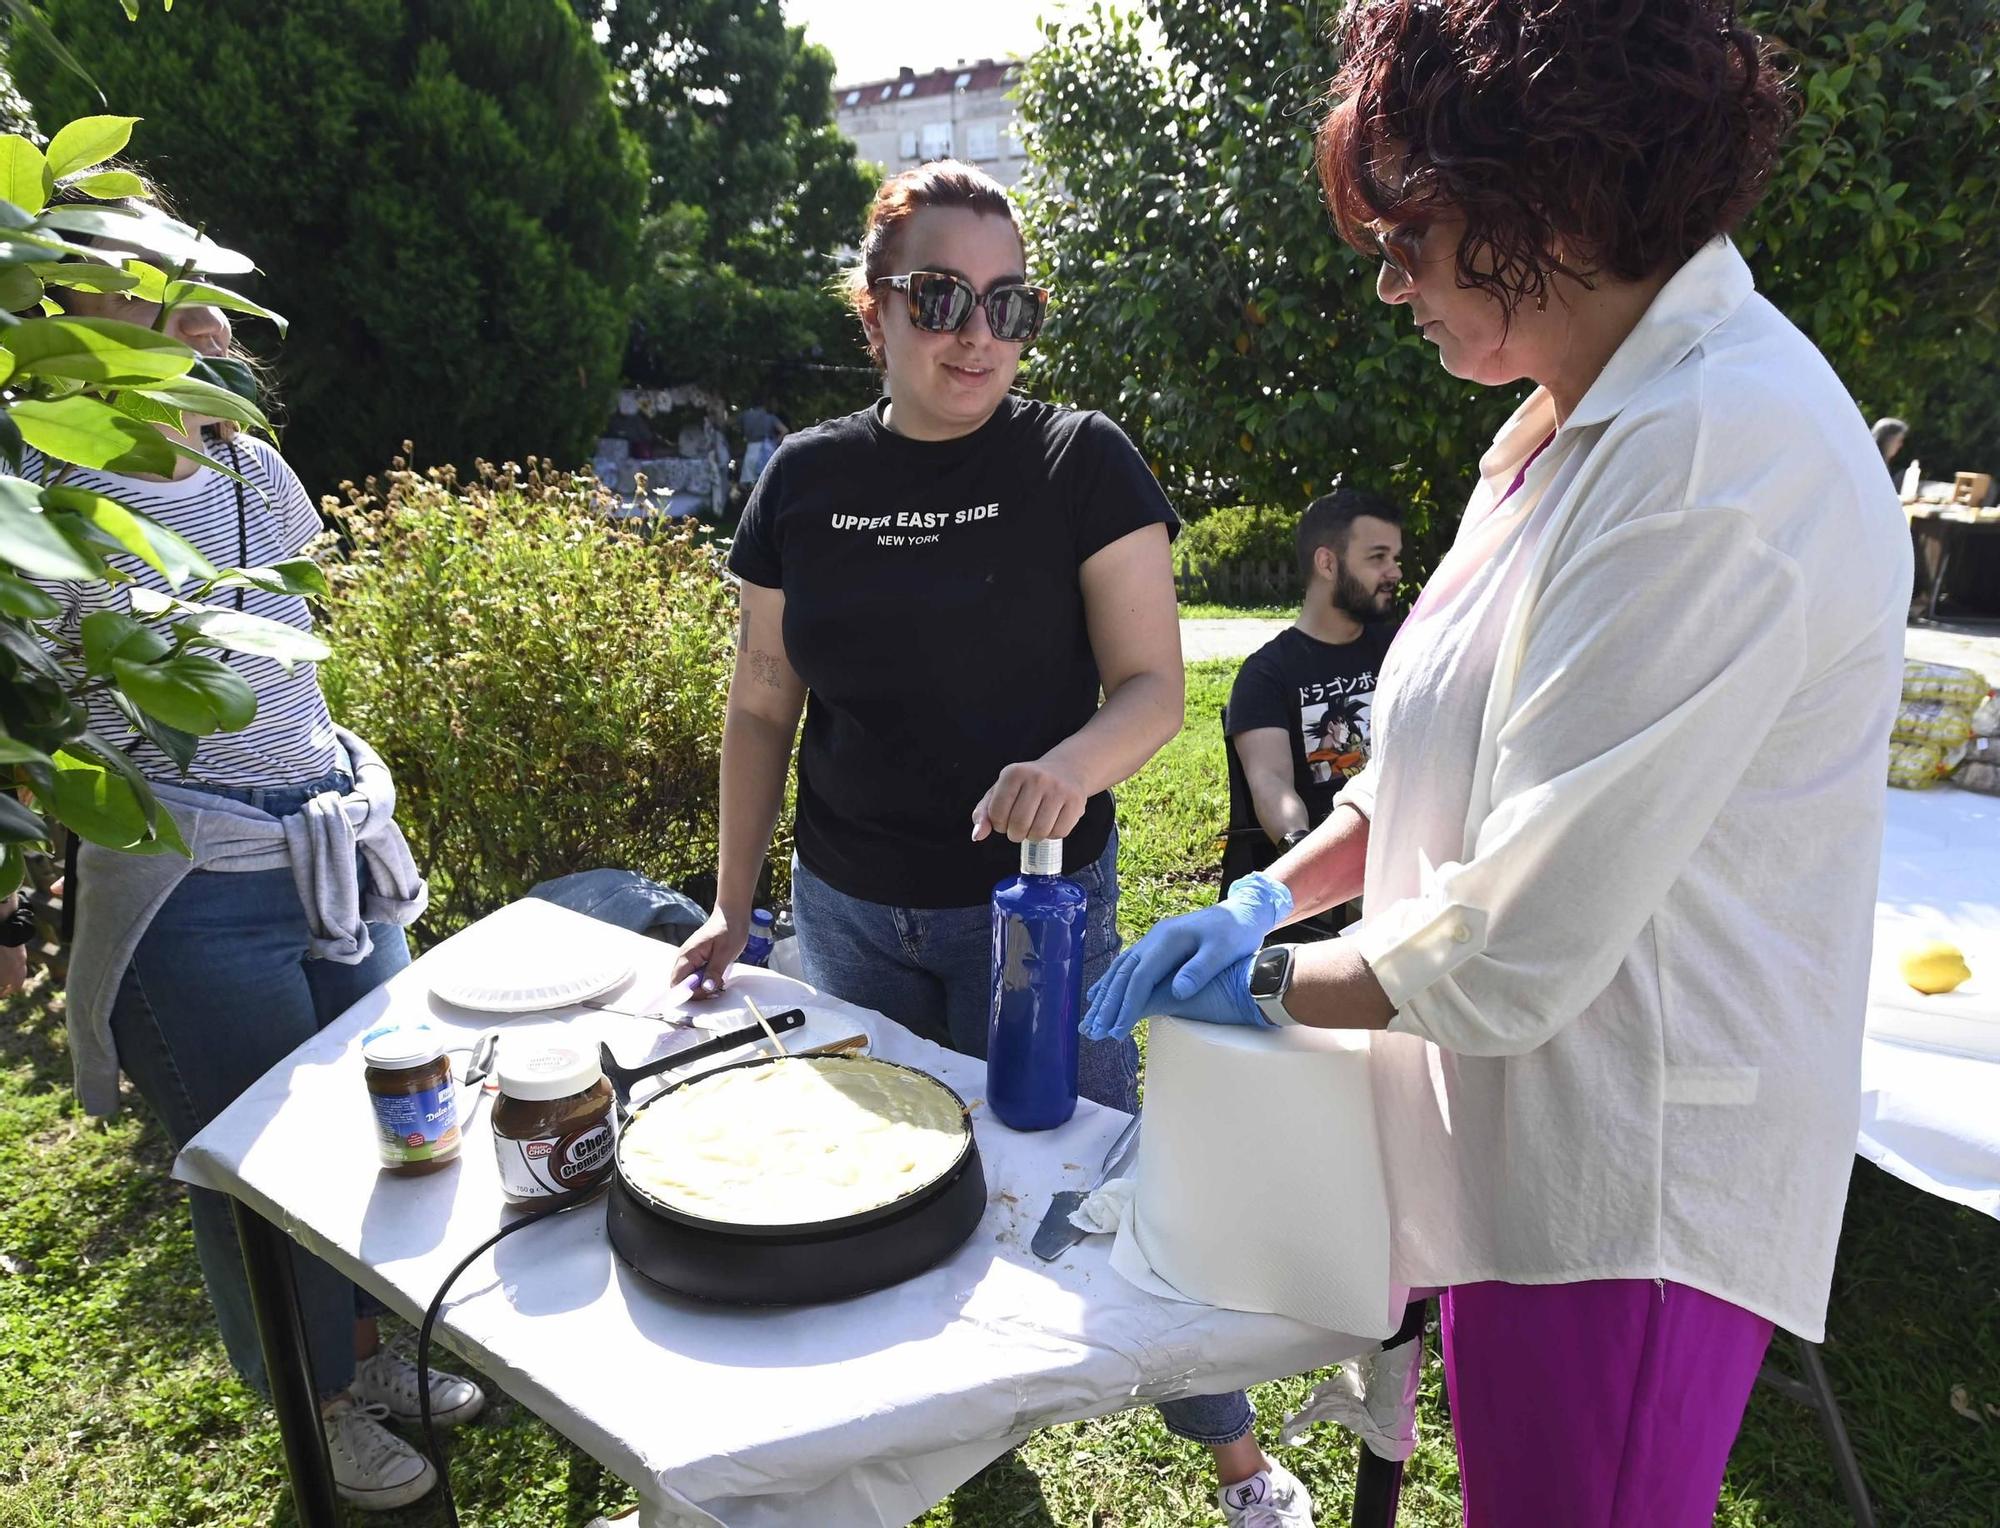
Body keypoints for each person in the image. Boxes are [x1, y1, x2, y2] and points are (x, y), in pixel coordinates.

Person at [1084, 5, 1910, 1525]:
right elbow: (1430, 768)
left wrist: (1262, 988)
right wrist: (1265, 898)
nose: (1391, 284)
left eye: (1409, 237)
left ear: (1551, 202)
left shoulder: (1716, 456)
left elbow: (1513, 938)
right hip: (1525, 1146)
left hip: (1631, 1179)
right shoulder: (1567, 426)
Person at [670, 160, 1314, 1526]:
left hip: (1035, 912)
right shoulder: (803, 476)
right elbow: (761, 703)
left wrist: (1068, 770)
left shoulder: (1080, 458)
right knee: (875, 1185)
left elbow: (1154, 686)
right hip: (845, 907)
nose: (978, 331)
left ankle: (1237, 1460)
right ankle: (922, 1421)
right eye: (942, 295)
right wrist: (737, 907)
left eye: (1009, 301)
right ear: (873, 313)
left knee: (1099, 1181)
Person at [26, 190, 481, 1512]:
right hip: (190, 891)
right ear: (67, 312)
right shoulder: (45, 491)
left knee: (405, 1129)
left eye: (193, 269)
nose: (194, 301)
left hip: (327, 856)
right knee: (266, 1180)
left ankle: (380, 1351)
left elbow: (291, 664)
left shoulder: (242, 459)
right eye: (147, 281)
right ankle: (318, 1401)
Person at [1225, 486, 1402, 934]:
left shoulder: (1405, 645)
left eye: (1395, 558)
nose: (1394, 572)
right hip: (1338, 872)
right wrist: (1305, 855)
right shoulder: (1267, 673)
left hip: (1413, 849)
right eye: (1378, 557)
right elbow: (1271, 783)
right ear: (1328, 563)